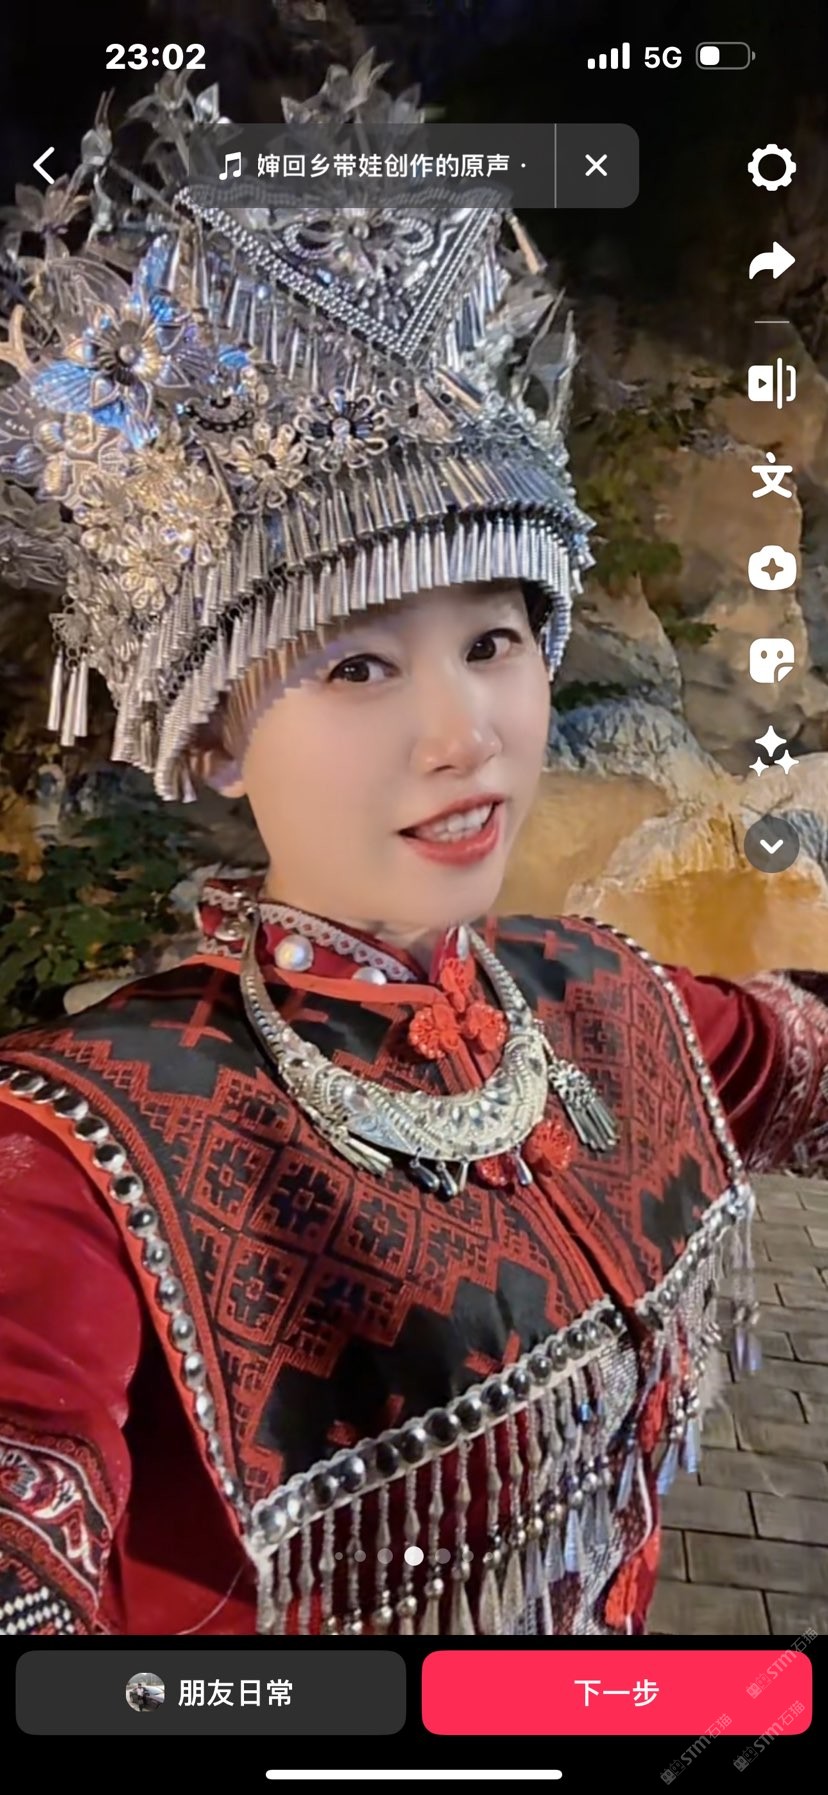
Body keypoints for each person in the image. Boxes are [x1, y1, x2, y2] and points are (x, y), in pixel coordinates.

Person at [0, 57, 826, 1642]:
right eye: (361, 664)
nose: (465, 735)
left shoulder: (596, 995)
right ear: (212, 738)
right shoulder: (85, 1153)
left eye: (497, 642)